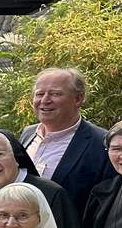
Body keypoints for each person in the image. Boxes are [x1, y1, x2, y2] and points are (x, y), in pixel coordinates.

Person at [20, 67, 114, 216]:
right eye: (39, 94)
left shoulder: (102, 143)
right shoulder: (27, 134)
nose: (45, 100)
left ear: (78, 98)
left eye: (55, 94)